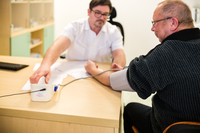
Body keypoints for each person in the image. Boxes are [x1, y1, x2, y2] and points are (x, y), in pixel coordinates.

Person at [84, 0, 200, 133]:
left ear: (173, 23)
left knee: (130, 109)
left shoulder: (166, 53)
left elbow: (115, 81)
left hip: (168, 126)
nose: (152, 28)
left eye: (155, 23)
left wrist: (92, 69)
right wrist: (128, 72)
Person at [30, 0, 126, 84]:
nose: (101, 17)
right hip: (72, 75)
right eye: (97, 13)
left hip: (99, 74)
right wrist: (45, 65)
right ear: (89, 12)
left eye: (105, 14)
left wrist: (117, 66)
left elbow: (119, 54)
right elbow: (59, 45)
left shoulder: (113, 31)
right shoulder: (75, 27)